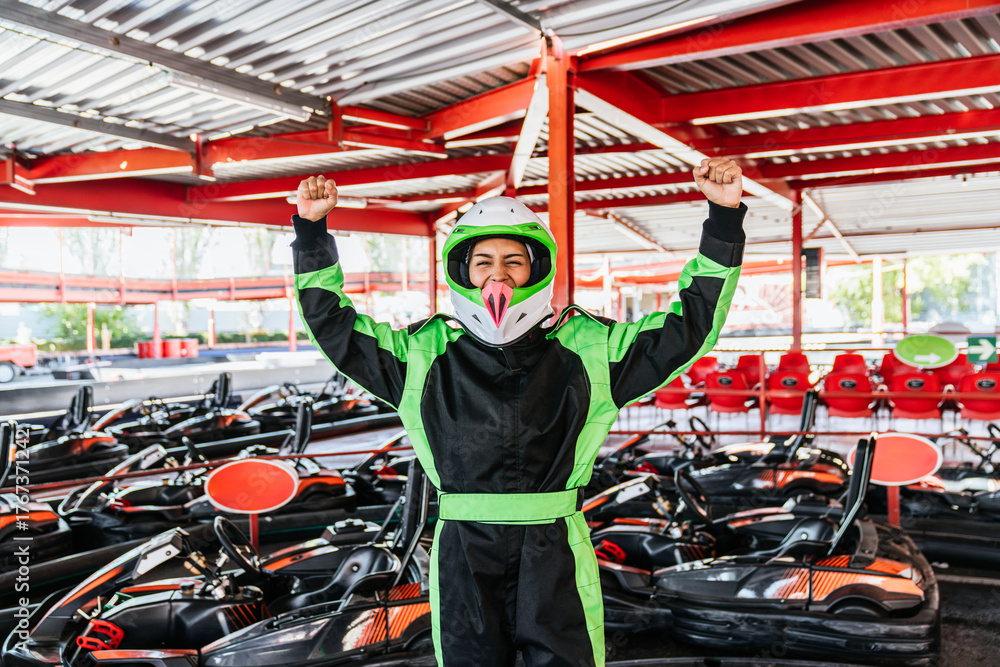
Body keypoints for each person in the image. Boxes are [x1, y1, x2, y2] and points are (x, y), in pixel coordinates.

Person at [290, 157, 746, 667]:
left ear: (538, 268)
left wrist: (723, 220)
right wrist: (311, 232)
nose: (498, 274)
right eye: (483, 261)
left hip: (555, 551)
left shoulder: (592, 348)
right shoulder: (422, 354)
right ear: (463, 271)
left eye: (513, 261)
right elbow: (334, 329)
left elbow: (688, 326)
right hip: (463, 552)